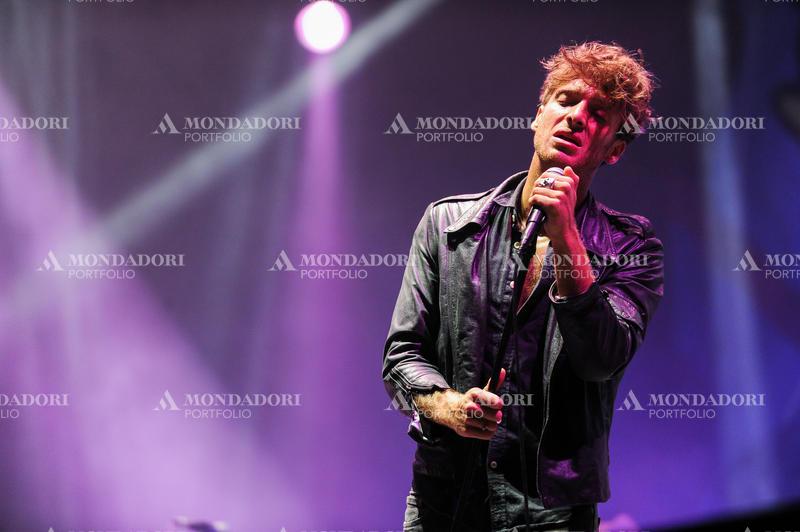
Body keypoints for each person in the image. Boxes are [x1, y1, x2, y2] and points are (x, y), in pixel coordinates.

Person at [382, 41, 664, 532]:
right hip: (444, 502)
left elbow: (602, 358)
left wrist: (568, 240)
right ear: (537, 116)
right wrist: (446, 405)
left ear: (615, 149)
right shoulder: (449, 225)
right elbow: (401, 357)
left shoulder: (631, 245)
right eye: (565, 99)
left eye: (599, 113)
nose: (576, 117)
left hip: (551, 513)